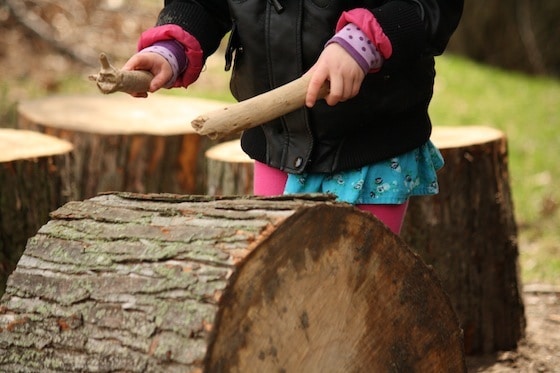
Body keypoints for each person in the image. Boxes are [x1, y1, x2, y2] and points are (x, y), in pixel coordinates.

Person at [123, 1, 463, 234]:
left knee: (361, 287)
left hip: (371, 142)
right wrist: (172, 46)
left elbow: (431, 7)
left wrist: (364, 40)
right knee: (281, 280)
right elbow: (202, 5)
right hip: (278, 140)